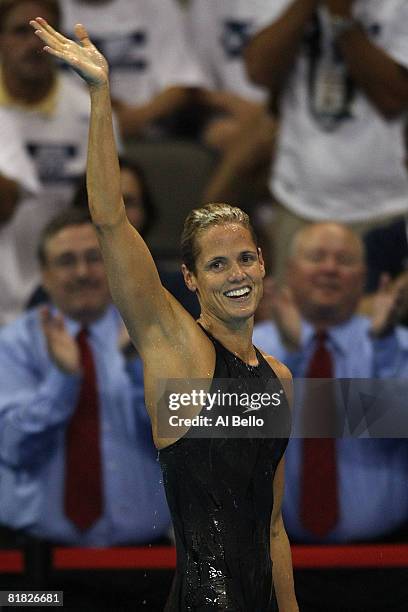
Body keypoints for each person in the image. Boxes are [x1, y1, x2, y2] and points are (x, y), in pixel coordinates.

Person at [29, 17, 299, 611]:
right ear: (192, 281)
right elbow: (108, 220)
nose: (236, 274)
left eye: (245, 258)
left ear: (263, 267)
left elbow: (274, 530)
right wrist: (101, 97)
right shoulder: (175, 346)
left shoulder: (277, 381)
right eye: (218, 265)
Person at [253, 222, 408, 612]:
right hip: (279, 562)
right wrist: (297, 355)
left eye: (344, 260)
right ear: (288, 271)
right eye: (316, 257)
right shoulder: (249, 347)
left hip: (385, 563)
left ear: (367, 277)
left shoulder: (398, 344)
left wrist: (386, 351)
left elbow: (402, 423)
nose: (330, 268)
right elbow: (217, 420)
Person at [0, 208, 171, 549]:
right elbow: (13, 448)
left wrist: (140, 366)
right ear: (45, 276)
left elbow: (181, 441)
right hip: (39, 558)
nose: (82, 272)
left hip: (143, 560)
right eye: (66, 261)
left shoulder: (155, 338)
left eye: (94, 258)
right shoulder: (12, 345)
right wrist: (63, 380)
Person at [245, 0, 408, 279]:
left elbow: (393, 98)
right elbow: (259, 71)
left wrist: (341, 20)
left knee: (379, 317)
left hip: (385, 208)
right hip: (298, 201)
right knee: (292, 320)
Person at [0, 0, 105, 324]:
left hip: (75, 285)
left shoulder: (90, 105)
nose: (34, 42)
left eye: (44, 32)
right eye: (21, 31)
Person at [61, 0, 206, 139]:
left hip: (144, 131)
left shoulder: (158, 4)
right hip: (66, 129)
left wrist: (134, 119)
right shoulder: (47, 7)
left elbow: (182, 82)